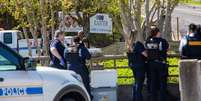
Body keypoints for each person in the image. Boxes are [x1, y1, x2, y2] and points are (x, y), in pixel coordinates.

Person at [145, 27, 169, 101]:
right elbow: (167, 48)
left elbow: (146, 51)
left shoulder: (148, 41)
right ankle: (162, 98)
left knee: (152, 82)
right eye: (159, 32)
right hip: (161, 63)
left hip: (151, 64)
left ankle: (153, 98)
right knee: (162, 82)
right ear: (157, 33)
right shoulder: (163, 41)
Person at [127, 30, 147, 101]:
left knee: (136, 83)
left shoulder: (129, 45)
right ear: (137, 36)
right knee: (139, 85)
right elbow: (145, 54)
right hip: (140, 66)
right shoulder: (138, 44)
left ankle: (135, 99)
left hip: (133, 66)